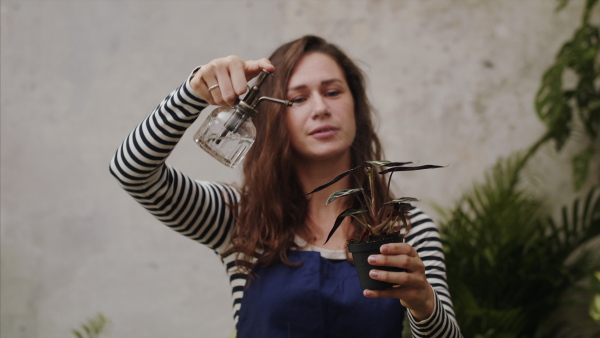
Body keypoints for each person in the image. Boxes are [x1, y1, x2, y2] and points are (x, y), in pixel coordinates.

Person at [110, 35, 462, 337]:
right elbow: (132, 171)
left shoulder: (404, 227)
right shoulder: (238, 218)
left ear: (356, 106)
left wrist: (424, 303)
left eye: (333, 91)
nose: (321, 108)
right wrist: (193, 93)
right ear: (274, 114)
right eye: (298, 98)